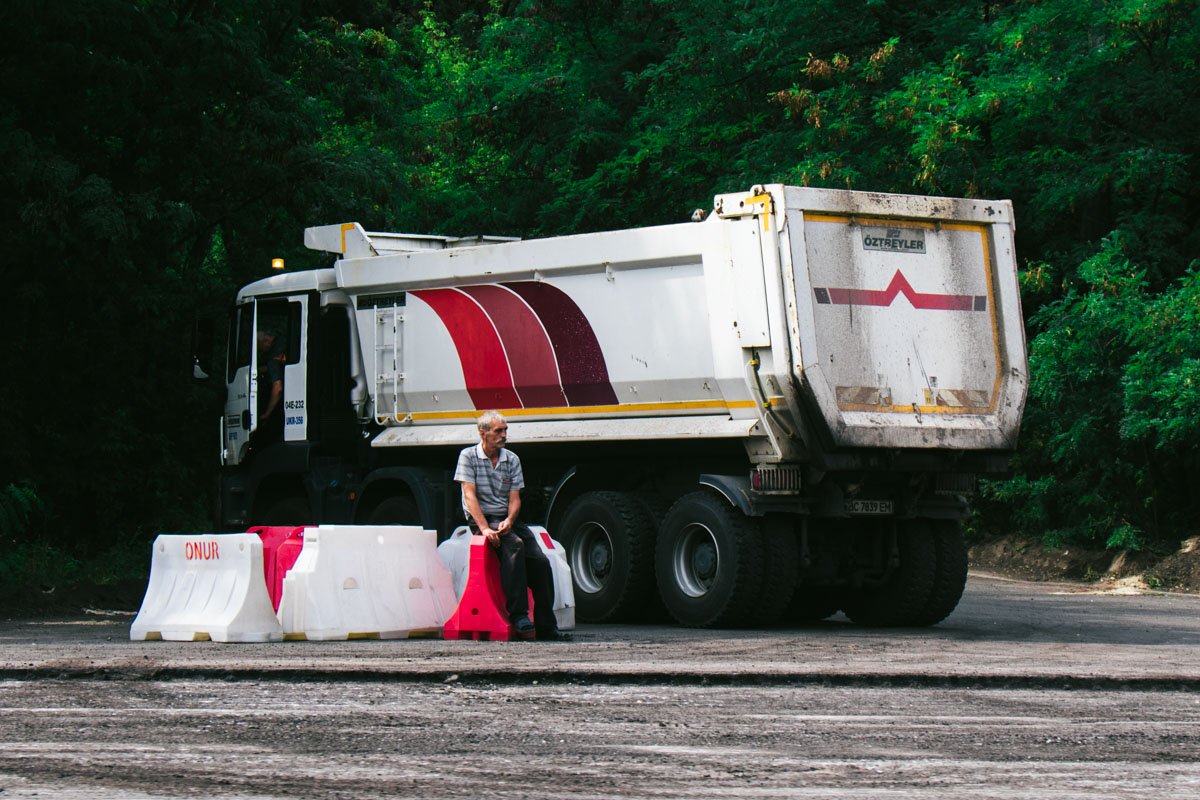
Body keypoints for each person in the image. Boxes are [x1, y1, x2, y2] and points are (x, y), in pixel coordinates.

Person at [455, 411, 569, 641]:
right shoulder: (468, 456)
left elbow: (515, 498)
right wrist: (485, 528)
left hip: (507, 517)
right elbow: (469, 496)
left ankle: (547, 625)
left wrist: (510, 519)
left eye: (505, 430)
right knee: (514, 545)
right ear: (483, 433)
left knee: (540, 561)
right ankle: (519, 615)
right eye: (498, 431)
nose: (504, 435)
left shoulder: (512, 459)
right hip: (482, 517)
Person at [254, 330, 286, 444]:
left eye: (260, 348)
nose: (261, 352)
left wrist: (267, 414)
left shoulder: (272, 356)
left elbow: (277, 388)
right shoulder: (284, 341)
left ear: (266, 341)